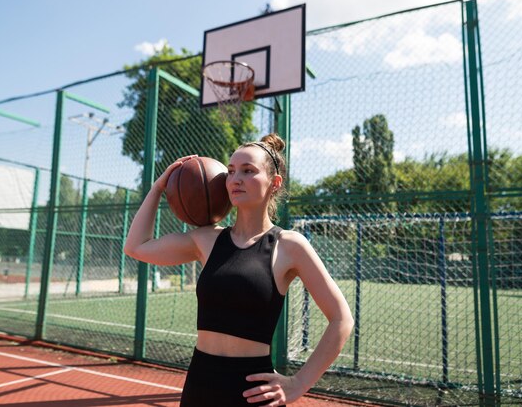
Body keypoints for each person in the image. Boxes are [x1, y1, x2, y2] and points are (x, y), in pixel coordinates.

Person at [124, 133, 353, 406]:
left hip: (252, 390)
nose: (236, 179)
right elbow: (136, 246)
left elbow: (342, 319)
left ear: (274, 183)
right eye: (231, 171)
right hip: (200, 383)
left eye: (248, 171)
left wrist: (299, 383)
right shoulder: (206, 240)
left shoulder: (289, 245)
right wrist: (159, 187)